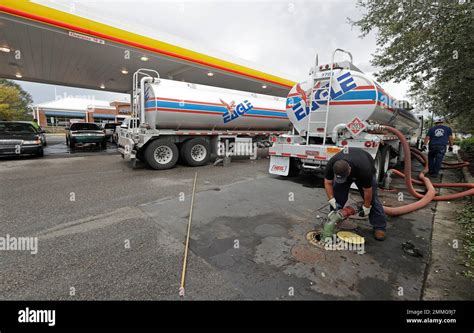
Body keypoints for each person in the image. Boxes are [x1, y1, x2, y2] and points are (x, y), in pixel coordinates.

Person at [324, 147, 387, 241]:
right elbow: (328, 183)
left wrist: (366, 206)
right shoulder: (332, 164)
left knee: (372, 200)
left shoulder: (364, 169)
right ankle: (335, 219)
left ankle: (379, 227)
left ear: (349, 170)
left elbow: (367, 190)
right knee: (337, 194)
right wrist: (331, 199)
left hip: (362, 167)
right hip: (347, 168)